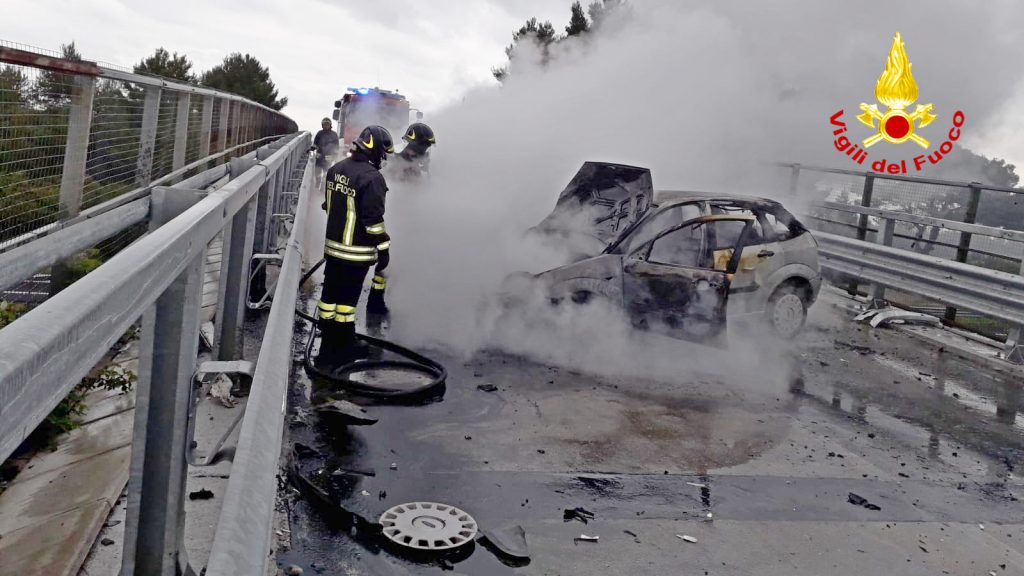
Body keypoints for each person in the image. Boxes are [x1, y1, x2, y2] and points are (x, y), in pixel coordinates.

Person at [315, 125, 394, 371]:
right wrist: (384, 248)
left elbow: (328, 206)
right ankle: (343, 346)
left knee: (330, 296)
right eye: (383, 153)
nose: (383, 158)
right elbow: (373, 221)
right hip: (356, 252)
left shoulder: (336, 169)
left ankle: (328, 341)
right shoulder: (372, 178)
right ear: (375, 150)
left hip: (333, 247)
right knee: (347, 303)